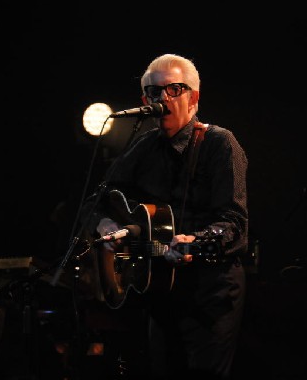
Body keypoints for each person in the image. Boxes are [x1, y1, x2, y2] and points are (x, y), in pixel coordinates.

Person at [80, 53, 248, 379]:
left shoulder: (219, 144)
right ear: (145, 100)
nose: (164, 98)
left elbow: (235, 222)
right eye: (155, 93)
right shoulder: (143, 148)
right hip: (160, 293)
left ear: (194, 97)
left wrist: (196, 241)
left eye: (175, 89)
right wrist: (109, 226)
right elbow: (93, 202)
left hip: (210, 295)